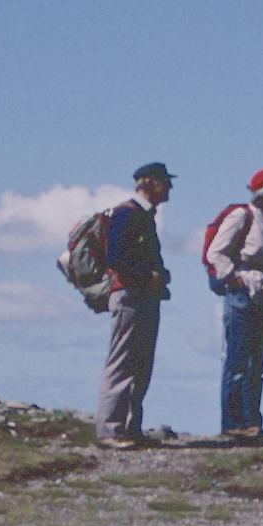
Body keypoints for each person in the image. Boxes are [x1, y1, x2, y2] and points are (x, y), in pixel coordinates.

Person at [203, 167, 263, 442]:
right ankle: (234, 423)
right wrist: (235, 280)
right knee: (238, 359)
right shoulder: (242, 215)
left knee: (257, 362)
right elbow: (215, 252)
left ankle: (251, 421)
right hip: (244, 293)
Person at [94, 161, 172, 448]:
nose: (170, 188)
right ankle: (110, 430)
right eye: (165, 182)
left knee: (139, 363)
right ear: (149, 182)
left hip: (141, 295)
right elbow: (116, 259)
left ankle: (128, 427)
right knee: (122, 362)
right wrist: (148, 275)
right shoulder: (127, 214)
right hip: (130, 295)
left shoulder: (141, 215)